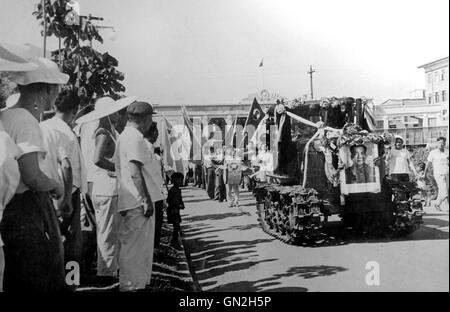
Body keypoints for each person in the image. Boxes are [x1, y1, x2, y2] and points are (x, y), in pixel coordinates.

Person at [0, 57, 67, 291]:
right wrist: (57, 186)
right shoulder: (26, 121)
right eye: (56, 89)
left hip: (7, 208)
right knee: (36, 274)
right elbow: (32, 175)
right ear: (47, 89)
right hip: (25, 208)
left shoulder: (6, 114)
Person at [76, 96, 135, 283]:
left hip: (108, 188)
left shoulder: (108, 131)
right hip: (105, 189)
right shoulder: (103, 133)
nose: (119, 116)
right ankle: (106, 272)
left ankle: (109, 269)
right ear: (109, 114)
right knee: (107, 232)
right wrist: (116, 169)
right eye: (117, 112)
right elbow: (97, 159)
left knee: (109, 231)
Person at [40, 88, 85, 271]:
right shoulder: (65, 132)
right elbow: (66, 166)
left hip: (43, 189)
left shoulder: (41, 127)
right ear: (74, 110)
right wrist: (67, 199)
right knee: (71, 242)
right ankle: (69, 282)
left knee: (49, 240)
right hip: (66, 191)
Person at [115, 101, 156, 291]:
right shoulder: (134, 137)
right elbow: (134, 170)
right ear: (146, 119)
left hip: (131, 200)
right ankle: (132, 287)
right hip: (136, 201)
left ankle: (135, 285)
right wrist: (146, 199)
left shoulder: (128, 135)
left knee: (137, 249)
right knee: (135, 250)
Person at [144, 122, 166, 249]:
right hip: (150, 196)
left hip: (156, 195)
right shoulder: (146, 150)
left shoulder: (151, 150)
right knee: (152, 229)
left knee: (157, 227)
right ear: (154, 133)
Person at [425, 136, 449, 211]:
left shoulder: (447, 151)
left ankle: (441, 204)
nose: (441, 144)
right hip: (438, 174)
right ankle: (442, 205)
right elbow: (428, 163)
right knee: (444, 191)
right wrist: (424, 173)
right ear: (437, 143)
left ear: (445, 143)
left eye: (443, 142)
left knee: (445, 190)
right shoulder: (433, 153)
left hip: (447, 173)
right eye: (440, 142)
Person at [167, 172, 185, 249]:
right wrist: (177, 205)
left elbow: (180, 199)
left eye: (181, 180)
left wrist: (182, 204)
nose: (180, 182)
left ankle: (175, 241)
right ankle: (174, 242)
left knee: (177, 226)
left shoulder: (178, 190)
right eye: (178, 180)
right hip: (173, 210)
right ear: (174, 181)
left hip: (176, 210)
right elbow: (169, 201)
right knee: (176, 227)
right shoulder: (173, 190)